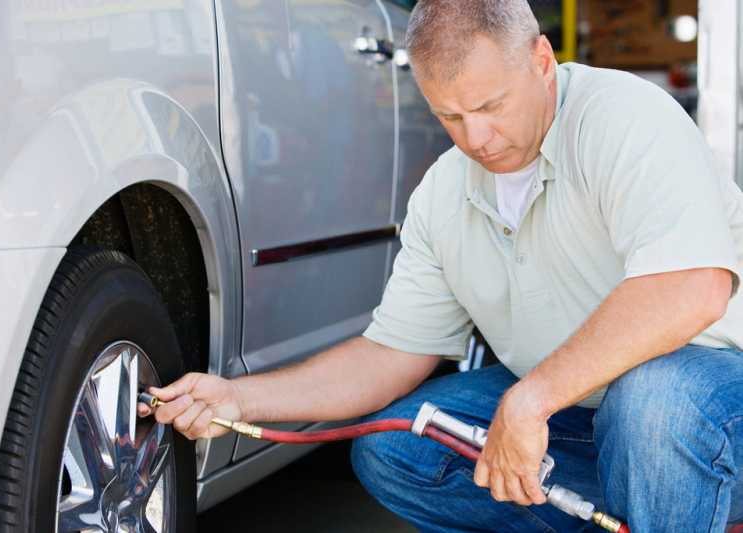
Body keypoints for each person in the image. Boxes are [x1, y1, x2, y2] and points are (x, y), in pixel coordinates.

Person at [138, 1, 743, 530]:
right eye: (450, 116)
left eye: (490, 105)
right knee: (405, 447)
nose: (476, 137)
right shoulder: (443, 194)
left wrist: (530, 401)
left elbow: (692, 287)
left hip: (713, 405)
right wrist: (238, 400)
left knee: (659, 401)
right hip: (589, 422)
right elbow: (389, 356)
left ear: (541, 60)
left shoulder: (624, 118)